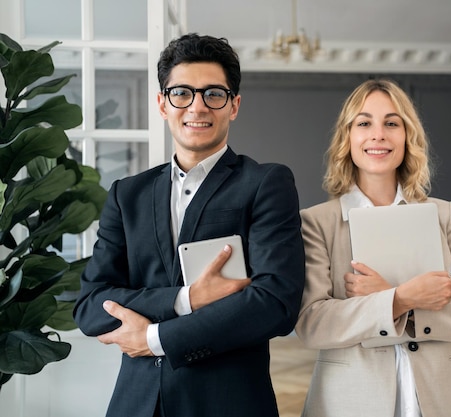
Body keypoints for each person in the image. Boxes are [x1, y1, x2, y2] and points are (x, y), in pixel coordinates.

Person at [73, 33, 305, 417]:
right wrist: (187, 300)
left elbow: (275, 303)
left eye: (213, 94)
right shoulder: (125, 195)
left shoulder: (266, 183)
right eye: (182, 93)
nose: (197, 106)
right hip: (136, 404)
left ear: (234, 106)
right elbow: (90, 305)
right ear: (163, 104)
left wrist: (156, 337)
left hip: (227, 404)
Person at [295, 79, 451, 417]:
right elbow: (312, 323)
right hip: (349, 402)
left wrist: (393, 297)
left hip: (441, 399)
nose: (378, 134)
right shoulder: (317, 223)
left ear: (408, 137)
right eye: (364, 123)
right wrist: (402, 298)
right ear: (348, 138)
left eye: (392, 123)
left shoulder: (443, 214)